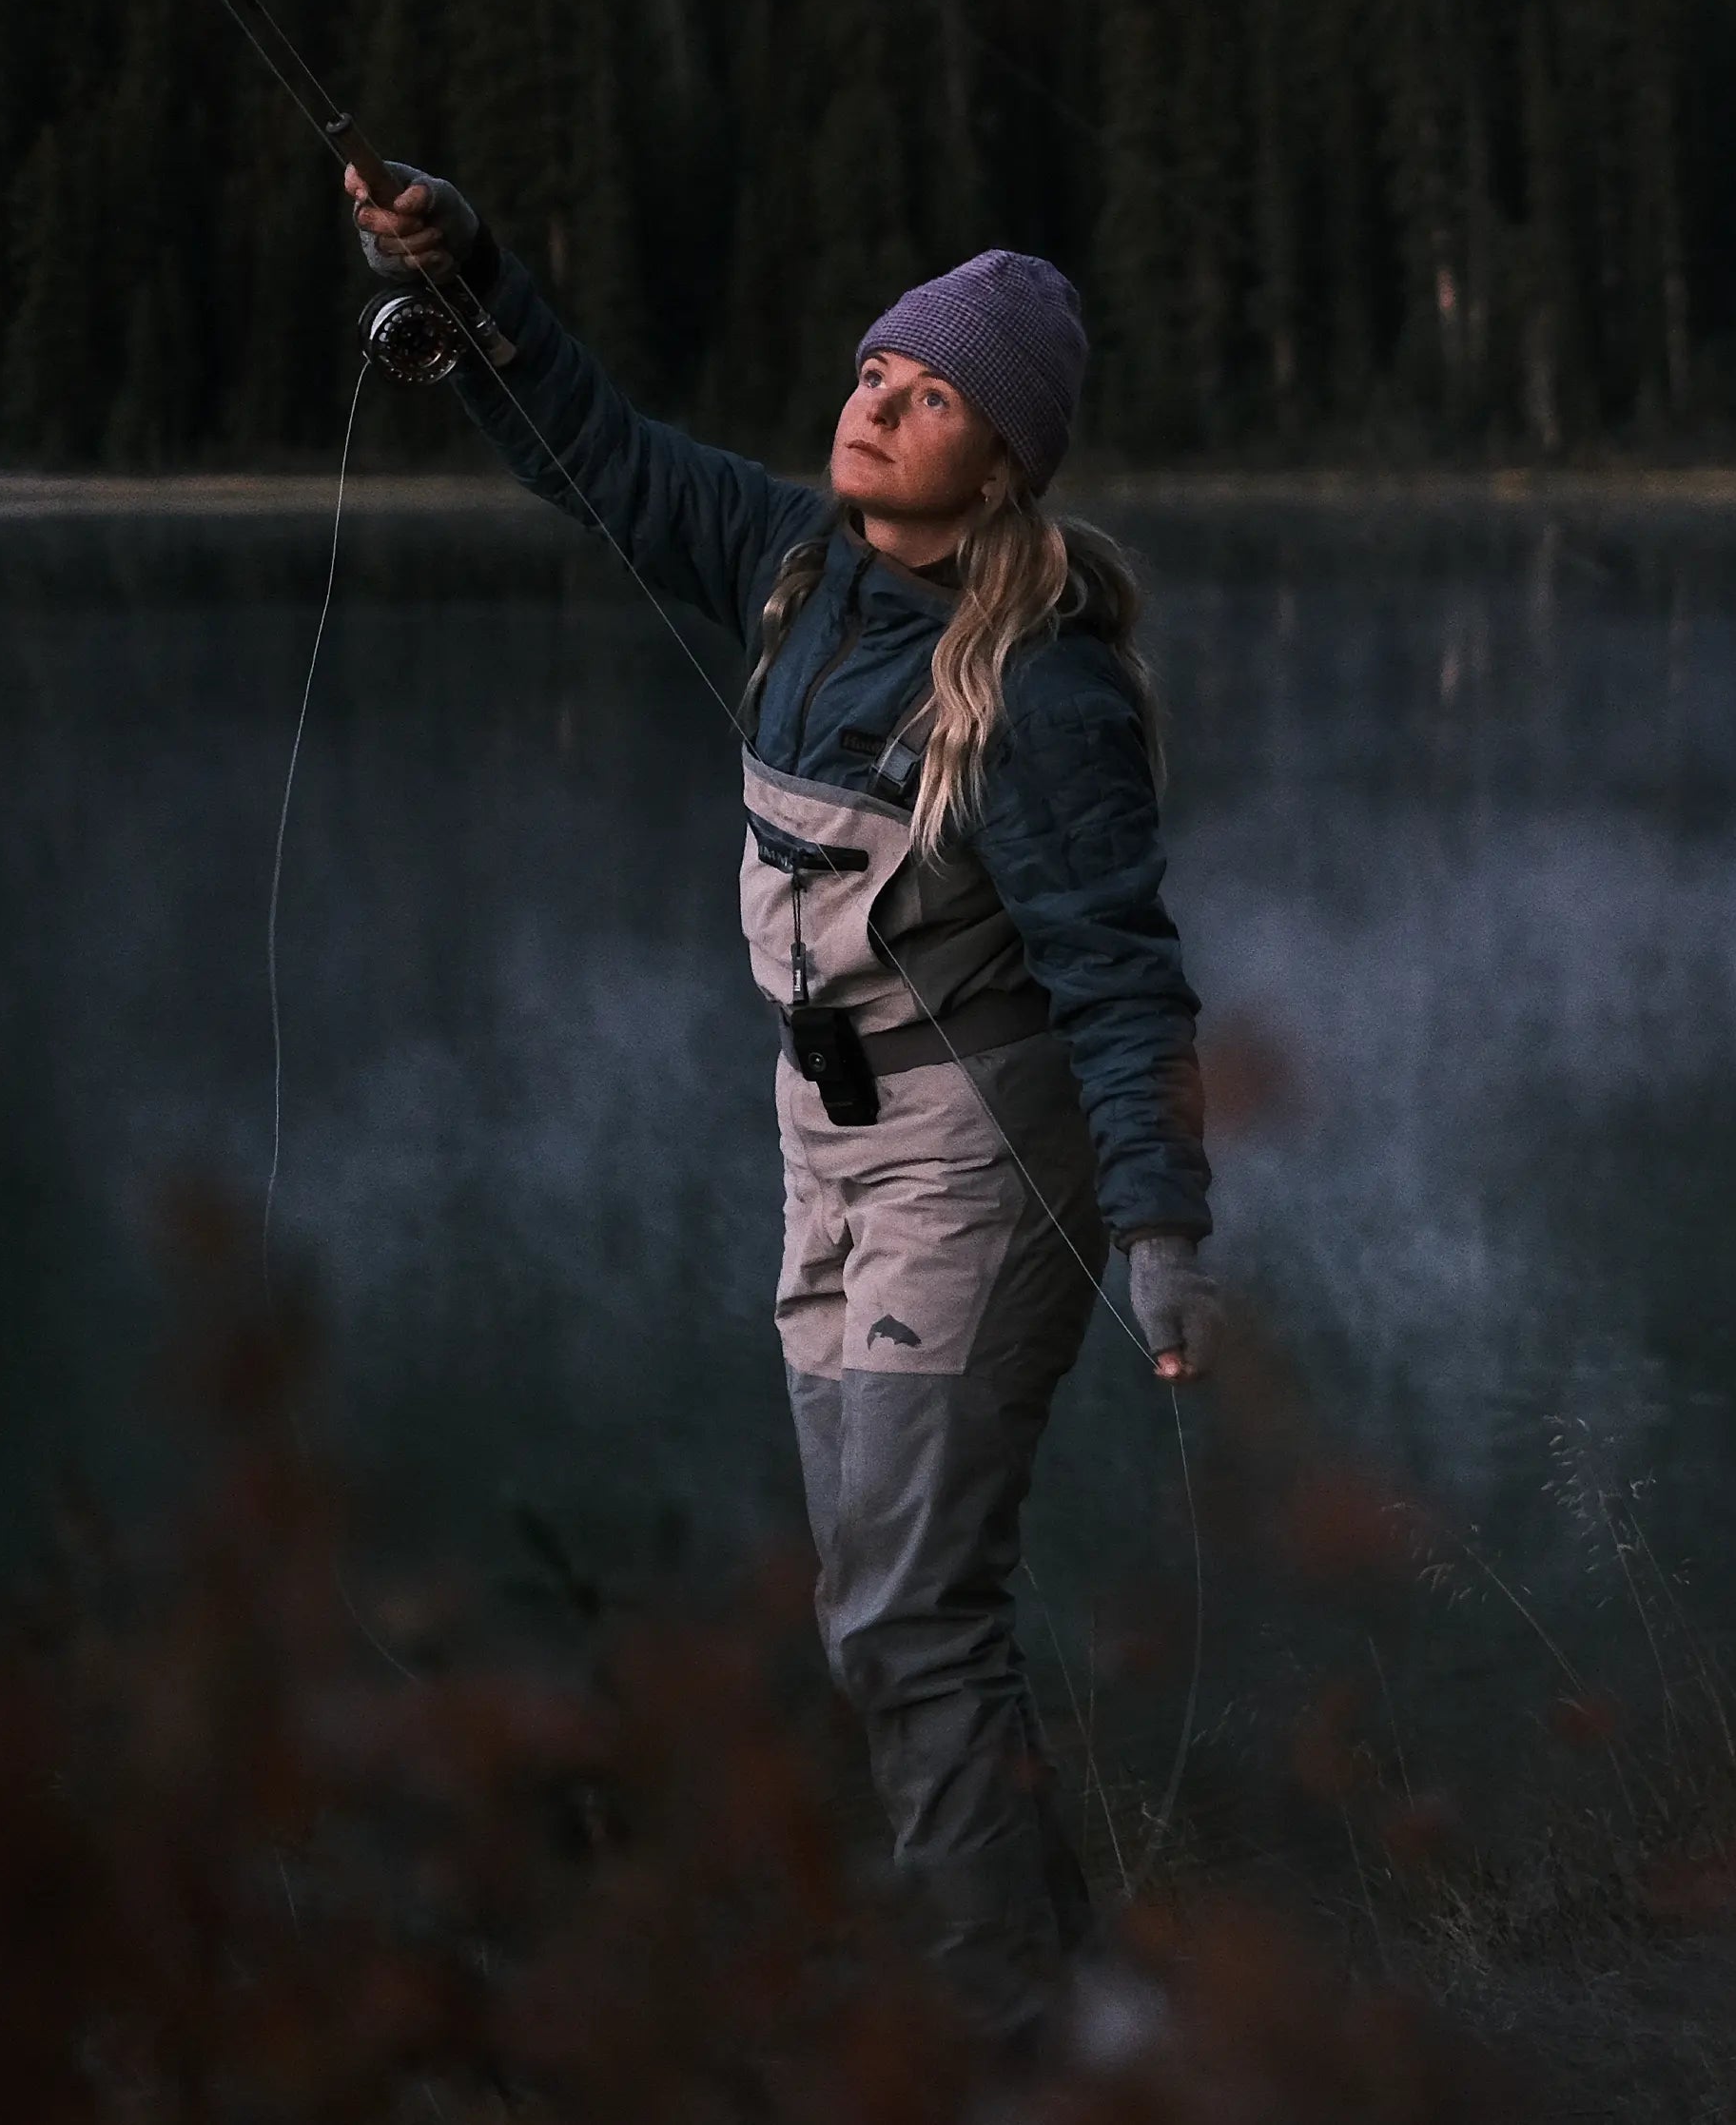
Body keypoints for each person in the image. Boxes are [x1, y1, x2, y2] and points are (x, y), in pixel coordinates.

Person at [347, 165, 1227, 2047]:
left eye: (926, 388)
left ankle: (1020, 2036)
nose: (877, 392)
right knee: (882, 1614)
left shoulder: (1042, 695)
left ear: (998, 459)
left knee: (910, 1619)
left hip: (974, 1165)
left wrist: (1158, 1228)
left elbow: (1121, 974)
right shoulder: (786, 558)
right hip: (815, 1144)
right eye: (876, 360)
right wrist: (470, 270)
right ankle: (1082, 2009)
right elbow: (588, 446)